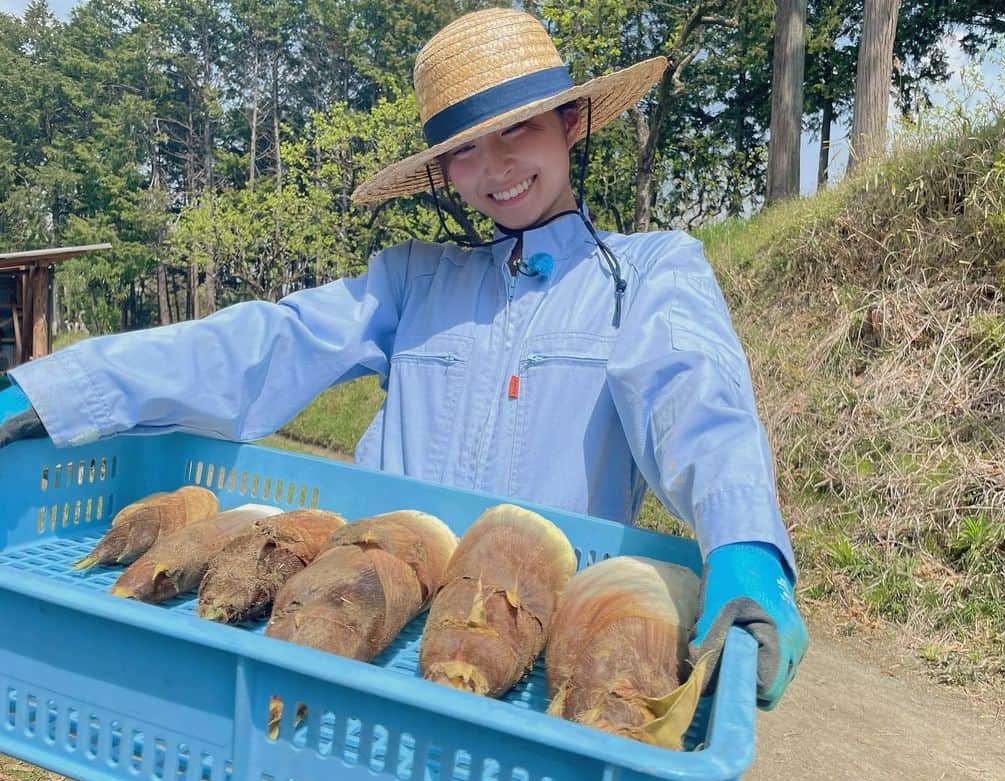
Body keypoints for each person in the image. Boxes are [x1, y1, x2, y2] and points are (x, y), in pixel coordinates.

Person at [0, 7, 806, 708]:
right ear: (442, 171)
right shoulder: (413, 279)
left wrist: (745, 545)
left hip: (519, 643)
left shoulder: (650, 272)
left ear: (571, 122)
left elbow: (695, 397)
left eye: (519, 129)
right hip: (363, 619)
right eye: (465, 150)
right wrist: (64, 389)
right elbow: (262, 345)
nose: (495, 169)